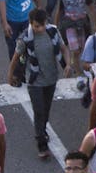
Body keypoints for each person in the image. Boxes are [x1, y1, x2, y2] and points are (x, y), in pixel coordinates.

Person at [10, 9, 72, 159]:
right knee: (38, 111)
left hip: (51, 78)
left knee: (46, 109)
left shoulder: (53, 32)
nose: (40, 29)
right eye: (36, 26)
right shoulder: (25, 38)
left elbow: (64, 49)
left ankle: (42, 130)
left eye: (42, 25)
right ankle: (41, 143)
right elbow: (16, 56)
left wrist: (68, 64)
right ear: (31, 24)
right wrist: (10, 74)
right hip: (35, 80)